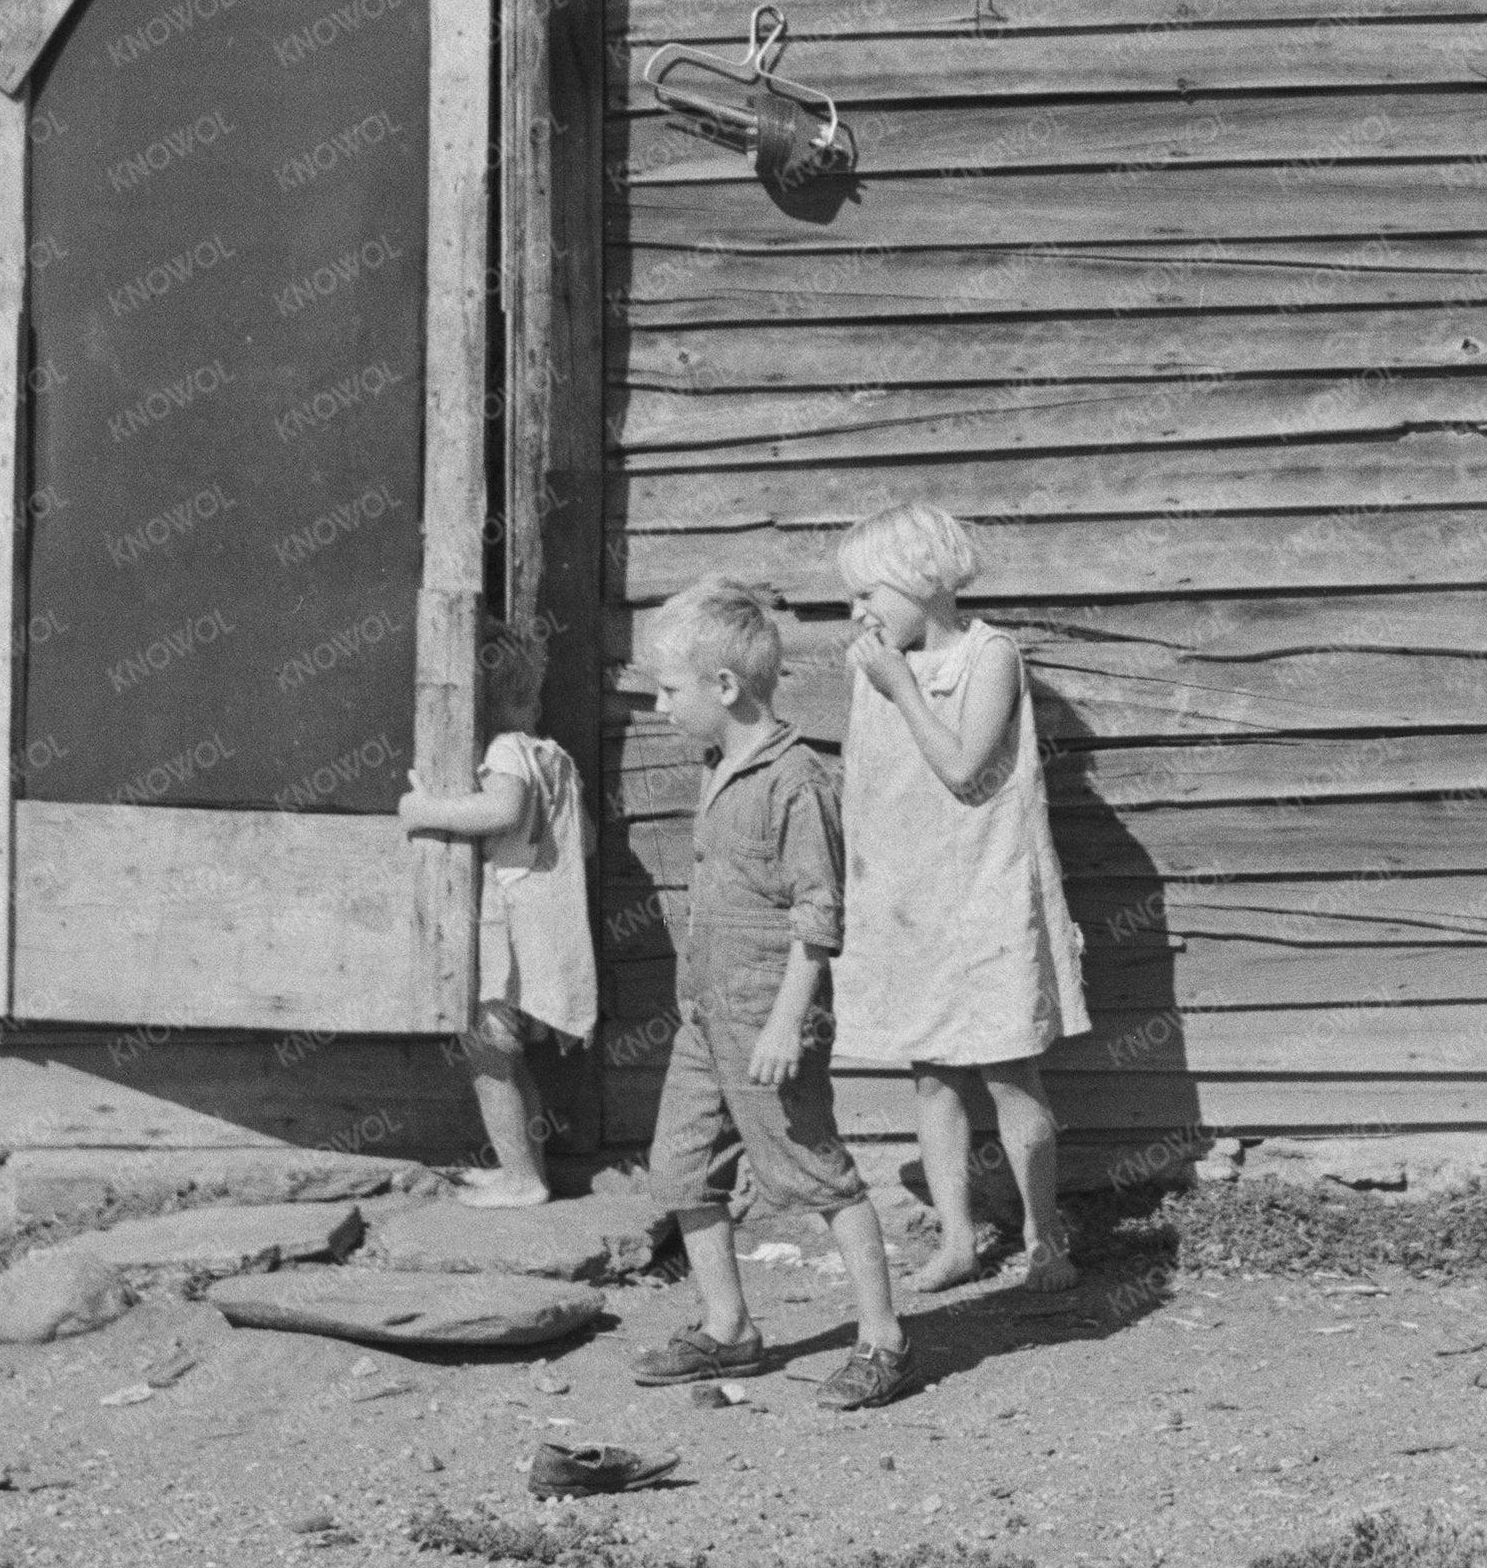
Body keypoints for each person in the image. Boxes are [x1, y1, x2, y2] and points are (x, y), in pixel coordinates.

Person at [617, 579, 913, 1411]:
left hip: (768, 1019)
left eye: (669, 688)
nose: (658, 703)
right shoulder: (720, 765)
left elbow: (821, 912)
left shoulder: (797, 782)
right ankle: (728, 1330)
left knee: (814, 1171)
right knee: (680, 1167)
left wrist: (789, 1017)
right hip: (706, 1018)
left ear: (725, 686)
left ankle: (885, 1338)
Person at [832, 504, 1089, 1299]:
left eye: (870, 592)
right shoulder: (873, 665)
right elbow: (868, 784)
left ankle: (1045, 1235)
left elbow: (965, 766)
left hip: (984, 889)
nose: (859, 613)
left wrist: (901, 685)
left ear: (925, 582)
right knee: (932, 1077)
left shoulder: (991, 656)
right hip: (915, 895)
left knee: (1010, 1071)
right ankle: (956, 1239)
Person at [392, 627, 597, 1203]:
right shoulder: (553, 758)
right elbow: (584, 843)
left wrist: (426, 809)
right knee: (507, 1058)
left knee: (487, 1056)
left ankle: (522, 1180)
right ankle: (527, 1170)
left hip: (505, 936)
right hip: (539, 935)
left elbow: (503, 809)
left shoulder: (505, 749)